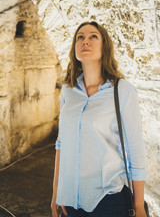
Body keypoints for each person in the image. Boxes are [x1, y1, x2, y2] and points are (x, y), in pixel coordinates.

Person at [51, 21, 147, 217]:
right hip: (70, 202)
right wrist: (56, 194)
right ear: (74, 48)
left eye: (93, 36)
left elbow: (135, 148)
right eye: (80, 37)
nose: (85, 40)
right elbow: (62, 145)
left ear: (105, 46)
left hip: (107, 200)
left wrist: (138, 206)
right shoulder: (68, 91)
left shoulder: (122, 90)